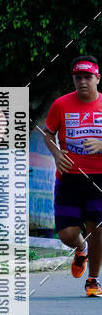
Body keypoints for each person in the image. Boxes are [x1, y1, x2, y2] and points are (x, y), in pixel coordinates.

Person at [42, 56, 102, 297]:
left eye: (88, 77)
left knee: (96, 229)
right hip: (69, 177)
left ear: (98, 78)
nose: (83, 82)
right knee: (67, 234)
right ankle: (80, 248)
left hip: (99, 178)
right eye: (78, 77)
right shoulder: (61, 105)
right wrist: (56, 154)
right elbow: (47, 133)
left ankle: (93, 280)